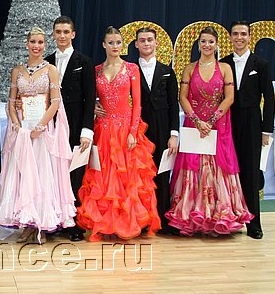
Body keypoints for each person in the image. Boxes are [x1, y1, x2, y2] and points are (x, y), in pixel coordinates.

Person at [166, 26, 253, 236]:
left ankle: (219, 215)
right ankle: (191, 215)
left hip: (218, 127)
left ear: (216, 44)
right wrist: (197, 121)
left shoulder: (224, 68)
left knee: (220, 167)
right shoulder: (189, 68)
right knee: (192, 166)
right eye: (203, 41)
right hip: (194, 127)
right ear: (198, 44)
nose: (207, 45)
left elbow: (229, 97)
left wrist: (212, 120)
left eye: (211, 42)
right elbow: (182, 97)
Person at [77, 26, 160, 241]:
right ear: (104, 45)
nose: (115, 46)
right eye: (111, 42)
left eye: (118, 42)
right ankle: (106, 224)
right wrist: (94, 105)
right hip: (103, 130)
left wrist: (133, 131)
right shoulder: (96, 70)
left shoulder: (131, 68)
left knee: (127, 179)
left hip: (125, 131)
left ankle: (126, 223)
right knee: (103, 178)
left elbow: (137, 104)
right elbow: (88, 96)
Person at [0, 27, 76, 243]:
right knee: (23, 174)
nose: (36, 46)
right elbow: (11, 102)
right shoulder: (17, 71)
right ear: (27, 44)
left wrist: (40, 126)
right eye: (33, 42)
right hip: (23, 130)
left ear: (45, 45)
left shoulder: (51, 70)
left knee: (42, 175)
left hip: (42, 130)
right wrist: (16, 125)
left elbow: (56, 102)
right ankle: (26, 223)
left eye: (40, 42)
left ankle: (41, 223)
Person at [221, 21, 275, 239]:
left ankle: (254, 224)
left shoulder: (261, 64)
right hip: (227, 122)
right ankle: (229, 221)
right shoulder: (223, 63)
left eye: (243, 34)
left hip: (252, 122)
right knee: (228, 172)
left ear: (250, 37)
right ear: (230, 37)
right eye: (235, 34)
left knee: (251, 173)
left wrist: (266, 130)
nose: (239, 37)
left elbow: (269, 98)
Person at [44, 16, 95, 242]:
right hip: (53, 125)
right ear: (53, 34)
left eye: (66, 32)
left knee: (75, 174)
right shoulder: (47, 61)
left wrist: (87, 130)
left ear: (73, 34)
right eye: (58, 32)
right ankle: (55, 220)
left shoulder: (85, 61)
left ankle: (73, 223)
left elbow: (90, 98)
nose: (62, 36)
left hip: (75, 124)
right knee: (55, 171)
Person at [134, 27, 181, 235]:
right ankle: (142, 219)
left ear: (156, 43)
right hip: (139, 128)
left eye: (149, 40)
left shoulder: (167, 71)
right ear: (136, 44)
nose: (146, 43)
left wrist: (174, 134)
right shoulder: (131, 70)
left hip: (162, 127)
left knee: (162, 173)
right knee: (140, 174)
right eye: (142, 40)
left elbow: (173, 105)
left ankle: (162, 219)